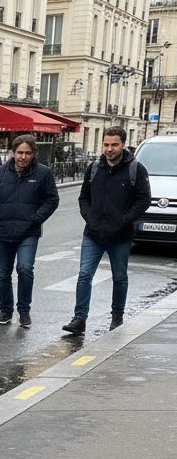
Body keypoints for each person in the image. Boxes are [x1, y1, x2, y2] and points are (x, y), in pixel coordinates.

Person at [62, 126, 151, 334]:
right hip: (93, 234)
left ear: (123, 144)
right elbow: (84, 198)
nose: (109, 149)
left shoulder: (136, 170)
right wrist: (90, 218)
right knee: (84, 275)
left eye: (114, 145)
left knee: (119, 277)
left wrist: (123, 220)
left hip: (120, 236)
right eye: (106, 144)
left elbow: (143, 200)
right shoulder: (94, 168)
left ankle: (117, 317)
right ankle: (79, 319)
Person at [0, 133, 60, 328]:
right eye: (20, 153)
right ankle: (5, 310)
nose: (23, 157)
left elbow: (52, 200)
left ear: (34, 154)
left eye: (27, 153)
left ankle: (24, 310)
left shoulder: (43, 173)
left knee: (25, 268)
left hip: (28, 232)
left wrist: (35, 219)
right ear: (13, 153)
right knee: (3, 274)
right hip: (3, 231)